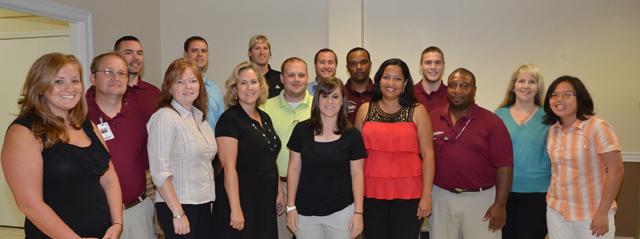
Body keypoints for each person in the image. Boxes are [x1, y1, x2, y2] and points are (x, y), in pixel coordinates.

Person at [1, 53, 123, 238]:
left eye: (75, 80)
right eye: (59, 81)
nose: (70, 88)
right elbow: (30, 205)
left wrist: (116, 223)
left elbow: (108, 177)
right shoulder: (24, 131)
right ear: (40, 86)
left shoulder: (86, 125)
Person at [354, 58, 435, 239]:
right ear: (378, 80)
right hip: (370, 192)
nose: (391, 83)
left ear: (405, 83)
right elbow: (356, 157)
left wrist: (427, 196)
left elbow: (428, 155)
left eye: (397, 78)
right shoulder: (365, 110)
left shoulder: (418, 111)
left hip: (409, 193)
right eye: (386, 77)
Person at [429, 68, 513, 239]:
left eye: (464, 85)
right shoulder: (433, 117)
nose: (457, 90)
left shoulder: (492, 122)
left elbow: (504, 166)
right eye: (452, 85)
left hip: (481, 200)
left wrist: (500, 204)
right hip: (440, 197)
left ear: (475, 90)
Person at [543, 76, 623, 239]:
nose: (559, 99)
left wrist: (603, 212)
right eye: (554, 95)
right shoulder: (553, 131)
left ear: (580, 98)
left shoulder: (598, 127)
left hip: (591, 213)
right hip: (557, 212)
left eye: (567, 94)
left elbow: (616, 170)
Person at [86, 52, 156, 239]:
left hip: (136, 211)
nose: (116, 78)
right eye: (108, 72)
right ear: (93, 77)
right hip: (96, 217)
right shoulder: (79, 118)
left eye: (121, 73)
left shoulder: (139, 114)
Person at [286, 77, 366, 239]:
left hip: (342, 213)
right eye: (325, 96)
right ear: (317, 99)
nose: (330, 101)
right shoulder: (301, 130)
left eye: (335, 97)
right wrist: (290, 207)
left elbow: (357, 175)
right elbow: (294, 169)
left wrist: (358, 212)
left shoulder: (353, 136)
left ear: (342, 101)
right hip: (305, 213)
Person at [147, 58, 217, 238]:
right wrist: (178, 213)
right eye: (180, 81)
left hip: (202, 204)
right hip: (178, 206)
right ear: (169, 87)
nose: (188, 87)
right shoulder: (164, 117)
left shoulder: (199, 117)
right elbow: (160, 172)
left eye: (193, 81)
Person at [215, 61, 284, 238]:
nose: (249, 87)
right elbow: (228, 168)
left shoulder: (265, 117)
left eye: (253, 82)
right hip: (242, 201)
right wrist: (235, 208)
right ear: (234, 89)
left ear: (261, 87)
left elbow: (271, 158)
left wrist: (278, 192)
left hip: (265, 200)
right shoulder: (229, 119)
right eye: (243, 83)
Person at [261, 57, 314, 239]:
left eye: (301, 75)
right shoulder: (265, 107)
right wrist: (277, 189)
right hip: (277, 187)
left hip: (310, 185)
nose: (297, 79)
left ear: (308, 77)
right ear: (282, 78)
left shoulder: (319, 107)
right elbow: (263, 152)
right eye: (291, 75)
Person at [495, 64, 550, 239]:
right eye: (521, 81)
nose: (526, 86)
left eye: (532, 82)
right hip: (504, 192)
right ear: (513, 85)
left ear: (538, 88)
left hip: (538, 193)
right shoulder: (499, 115)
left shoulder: (549, 117)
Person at [114, 35, 160, 118]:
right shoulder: (106, 91)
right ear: (116, 56)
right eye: (128, 52)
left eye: (139, 53)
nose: (136, 58)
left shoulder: (154, 92)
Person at [183, 36, 225, 129]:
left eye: (204, 51)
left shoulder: (215, 90)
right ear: (185, 55)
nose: (200, 54)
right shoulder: (179, 89)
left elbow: (221, 125)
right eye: (194, 51)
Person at [413, 46, 448, 112]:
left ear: (443, 66)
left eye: (438, 62)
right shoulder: (409, 95)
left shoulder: (452, 96)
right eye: (428, 62)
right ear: (421, 66)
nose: (433, 67)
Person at [345, 47, 375, 124]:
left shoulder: (381, 94)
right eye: (353, 64)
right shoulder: (339, 95)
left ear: (370, 65)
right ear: (347, 68)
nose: (359, 67)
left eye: (363, 62)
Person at [248, 34, 282, 98]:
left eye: (265, 48)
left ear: (270, 52)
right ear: (250, 53)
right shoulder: (244, 78)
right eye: (257, 48)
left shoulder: (281, 78)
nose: (262, 52)